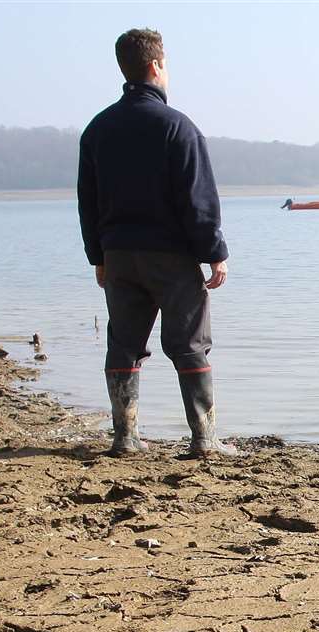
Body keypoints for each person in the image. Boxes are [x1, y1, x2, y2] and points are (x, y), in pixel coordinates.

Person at [77, 28, 237, 457]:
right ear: (155, 67)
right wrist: (215, 253)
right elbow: (198, 199)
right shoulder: (178, 127)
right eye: (166, 64)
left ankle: (125, 438)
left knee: (124, 342)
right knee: (189, 342)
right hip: (170, 256)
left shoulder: (98, 129)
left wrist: (98, 256)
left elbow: (87, 201)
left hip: (119, 255)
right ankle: (205, 439)